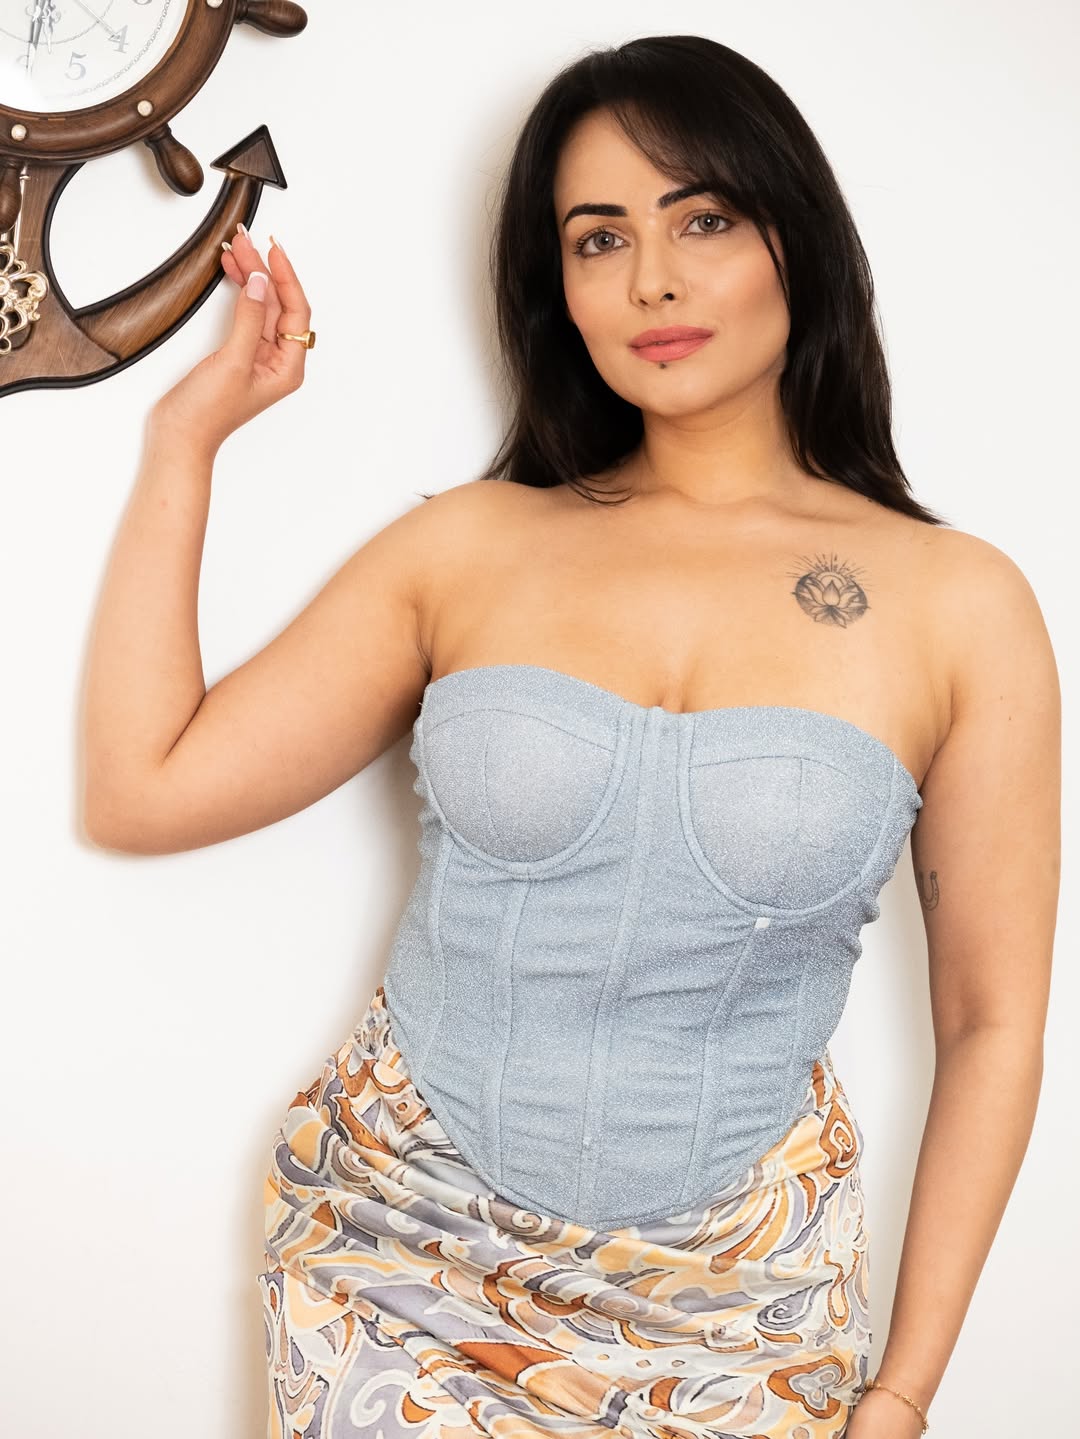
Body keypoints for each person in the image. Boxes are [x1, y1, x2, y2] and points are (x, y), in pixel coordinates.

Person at [82, 33, 1059, 1439]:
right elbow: (145, 788)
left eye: (701, 221)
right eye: (600, 238)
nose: (651, 279)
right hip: (400, 1260)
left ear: (796, 239)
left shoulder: (960, 604)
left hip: (742, 1305)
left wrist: (903, 1392)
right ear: (561, 288)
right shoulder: (469, 548)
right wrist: (187, 442)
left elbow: (991, 1024)